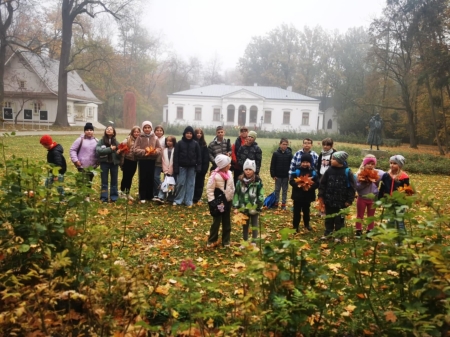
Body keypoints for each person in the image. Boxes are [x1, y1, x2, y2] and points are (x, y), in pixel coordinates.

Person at [318, 151, 356, 241]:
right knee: (329, 218)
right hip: (329, 200)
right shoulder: (329, 170)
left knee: (339, 220)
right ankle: (328, 233)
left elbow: (352, 187)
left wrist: (349, 200)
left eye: (333, 159)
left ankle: (339, 236)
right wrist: (321, 194)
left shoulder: (347, 172)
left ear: (340, 161)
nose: (331, 160)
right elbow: (322, 183)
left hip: (341, 201)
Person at [233, 159, 265, 249]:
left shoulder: (258, 181)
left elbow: (261, 194)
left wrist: (259, 205)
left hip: (254, 207)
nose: (248, 171)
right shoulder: (240, 181)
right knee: (245, 225)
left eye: (250, 169)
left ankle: (254, 242)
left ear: (253, 170)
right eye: (246, 169)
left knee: (254, 225)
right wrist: (236, 206)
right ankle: (245, 241)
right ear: (243, 170)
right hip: (243, 207)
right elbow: (237, 194)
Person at [206, 154, 235, 248]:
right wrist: (212, 202)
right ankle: (212, 240)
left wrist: (232, 196)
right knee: (217, 221)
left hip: (228, 201)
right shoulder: (214, 176)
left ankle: (226, 240)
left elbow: (231, 186)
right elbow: (209, 190)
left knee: (227, 221)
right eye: (228, 164)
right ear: (223, 166)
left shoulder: (230, 173)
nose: (230, 165)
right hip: (219, 203)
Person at [378, 155, 410, 234]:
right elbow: (382, 188)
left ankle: (401, 239)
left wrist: (405, 201)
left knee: (399, 221)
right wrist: (380, 199)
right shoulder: (386, 175)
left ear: (400, 165)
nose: (392, 165)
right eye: (391, 163)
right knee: (390, 219)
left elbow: (407, 190)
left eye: (394, 163)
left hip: (400, 202)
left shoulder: (404, 177)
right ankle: (390, 237)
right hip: (389, 201)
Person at [355, 155, 385, 238]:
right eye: (368, 163)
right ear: (364, 164)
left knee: (371, 216)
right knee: (359, 215)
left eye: (372, 164)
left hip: (373, 198)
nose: (370, 165)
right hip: (362, 198)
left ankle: (370, 230)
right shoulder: (359, 174)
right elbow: (357, 187)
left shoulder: (378, 173)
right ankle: (358, 230)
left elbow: (386, 175)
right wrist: (365, 182)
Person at [132, 121, 161, 204]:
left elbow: (159, 148)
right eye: (145, 127)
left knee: (150, 177)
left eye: (149, 127)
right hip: (143, 160)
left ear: (151, 128)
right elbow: (135, 149)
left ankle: (150, 195)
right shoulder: (140, 137)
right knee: (143, 178)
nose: (147, 129)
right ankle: (142, 196)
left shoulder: (154, 137)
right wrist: (145, 152)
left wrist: (154, 152)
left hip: (152, 160)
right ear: (143, 128)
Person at [289, 153, 319, 232]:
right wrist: (298, 185)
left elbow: (317, 183)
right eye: (303, 162)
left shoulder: (313, 172)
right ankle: (295, 226)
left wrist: (310, 187)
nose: (305, 164)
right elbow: (291, 181)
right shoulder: (296, 171)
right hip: (297, 195)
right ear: (301, 162)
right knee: (296, 211)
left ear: (310, 163)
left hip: (307, 195)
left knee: (306, 211)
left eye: (307, 162)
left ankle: (307, 224)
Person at [173, 126, 201, 207]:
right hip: (182, 167)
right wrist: (176, 168)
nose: (189, 135)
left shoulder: (195, 144)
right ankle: (178, 200)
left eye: (190, 133)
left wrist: (198, 167)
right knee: (181, 183)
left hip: (192, 167)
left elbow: (199, 157)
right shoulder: (179, 143)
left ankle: (188, 200)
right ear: (184, 134)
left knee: (190, 184)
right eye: (187, 133)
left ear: (192, 135)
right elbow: (176, 157)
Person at [70, 122, 98, 202]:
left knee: (89, 181)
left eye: (91, 130)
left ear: (93, 131)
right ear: (84, 131)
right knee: (82, 181)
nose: (89, 131)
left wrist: (98, 161)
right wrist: (75, 160)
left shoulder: (96, 141)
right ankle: (81, 196)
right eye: (87, 130)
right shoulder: (80, 140)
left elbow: (99, 151)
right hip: (82, 165)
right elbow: (73, 150)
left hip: (92, 166)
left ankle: (87, 197)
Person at [96, 126, 120, 203]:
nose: (109, 130)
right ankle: (104, 197)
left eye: (111, 129)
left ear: (113, 132)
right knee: (104, 181)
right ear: (105, 131)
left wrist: (118, 152)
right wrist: (110, 149)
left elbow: (120, 154)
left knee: (114, 181)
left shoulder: (116, 142)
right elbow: (99, 150)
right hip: (104, 163)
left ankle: (114, 197)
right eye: (107, 129)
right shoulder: (101, 141)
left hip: (114, 164)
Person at [269, 138, 293, 210]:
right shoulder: (276, 153)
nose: (284, 146)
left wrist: (290, 175)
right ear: (280, 144)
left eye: (286, 144)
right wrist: (273, 175)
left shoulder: (289, 154)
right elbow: (272, 165)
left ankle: (283, 204)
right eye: (283, 144)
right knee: (277, 190)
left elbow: (291, 165)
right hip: (278, 176)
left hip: (286, 176)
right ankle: (276, 203)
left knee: (285, 190)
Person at [118, 126, 140, 200]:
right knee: (125, 177)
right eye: (135, 132)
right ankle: (122, 192)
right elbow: (120, 148)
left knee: (130, 177)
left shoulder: (139, 140)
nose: (136, 133)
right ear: (132, 132)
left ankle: (128, 193)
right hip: (127, 161)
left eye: (138, 132)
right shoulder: (128, 139)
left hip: (134, 161)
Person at [155, 136, 177, 203]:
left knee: (171, 184)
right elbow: (163, 160)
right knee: (164, 183)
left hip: (173, 170)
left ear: (173, 142)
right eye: (167, 141)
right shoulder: (164, 150)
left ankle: (170, 198)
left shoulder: (175, 150)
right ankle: (161, 197)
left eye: (170, 141)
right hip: (166, 170)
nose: (168, 142)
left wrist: (171, 169)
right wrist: (165, 169)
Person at [193, 128, 210, 204]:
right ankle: (191, 196)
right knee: (192, 183)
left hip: (202, 167)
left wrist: (204, 169)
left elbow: (206, 158)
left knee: (200, 183)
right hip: (193, 167)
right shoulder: (192, 143)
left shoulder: (204, 145)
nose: (199, 134)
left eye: (200, 133)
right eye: (197, 133)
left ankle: (197, 197)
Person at [153, 125, 166, 200]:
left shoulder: (165, 139)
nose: (159, 132)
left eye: (160, 130)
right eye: (157, 130)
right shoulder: (152, 138)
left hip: (160, 161)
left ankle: (161, 191)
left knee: (156, 177)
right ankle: (155, 193)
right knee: (153, 178)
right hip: (152, 160)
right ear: (154, 131)